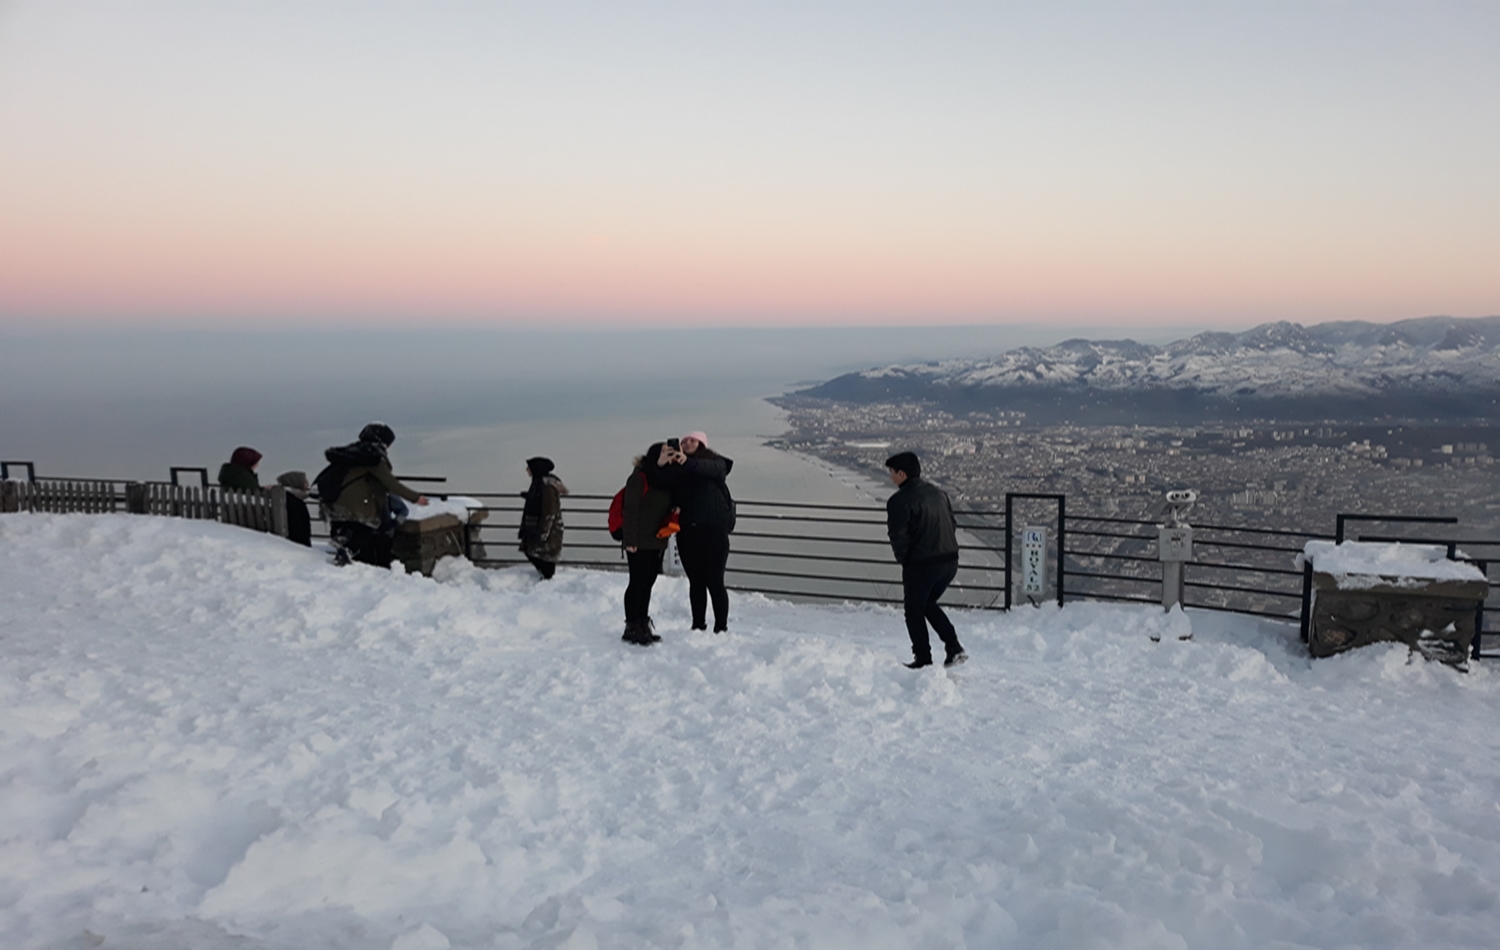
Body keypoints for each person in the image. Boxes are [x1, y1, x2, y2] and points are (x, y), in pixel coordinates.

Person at [885, 451, 967, 669]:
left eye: (892, 473)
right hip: (950, 561)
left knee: (913, 610)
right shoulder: (939, 493)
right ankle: (954, 647)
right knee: (927, 604)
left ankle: (923, 659)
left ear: (901, 474)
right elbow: (952, 523)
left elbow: (898, 536)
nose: (891, 478)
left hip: (923, 565)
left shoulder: (898, 501)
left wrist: (905, 561)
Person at [654, 431, 733, 632]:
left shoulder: (715, 462)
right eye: (684, 441)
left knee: (715, 581)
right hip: (688, 532)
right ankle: (698, 625)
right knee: (696, 582)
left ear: (702, 444)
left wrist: (686, 462)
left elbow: (712, 469)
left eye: (692, 440)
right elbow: (659, 483)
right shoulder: (676, 469)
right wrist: (662, 464)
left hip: (714, 531)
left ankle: (721, 627)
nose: (687, 442)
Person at [320, 422, 429, 567]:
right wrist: (415, 497)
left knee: (350, 526)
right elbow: (390, 484)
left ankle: (340, 539)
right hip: (355, 504)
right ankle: (345, 553)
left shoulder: (351, 453)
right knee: (368, 526)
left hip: (332, 501)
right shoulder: (373, 457)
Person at [619, 442, 676, 646]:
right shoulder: (639, 477)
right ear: (653, 455)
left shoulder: (668, 478)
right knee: (637, 583)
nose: (666, 455)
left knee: (648, 583)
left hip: (657, 540)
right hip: (639, 541)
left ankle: (642, 623)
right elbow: (630, 510)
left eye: (668, 453)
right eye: (662, 452)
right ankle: (631, 626)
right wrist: (630, 540)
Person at [518, 456, 567, 579]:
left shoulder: (546, 486)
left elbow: (549, 510)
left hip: (547, 529)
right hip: (539, 527)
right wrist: (529, 496)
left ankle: (547, 577)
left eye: (529, 467)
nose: (527, 470)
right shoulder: (539, 483)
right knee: (532, 550)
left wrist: (544, 532)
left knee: (544, 556)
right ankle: (545, 576)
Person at [275, 470, 313, 547]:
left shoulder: (283, 497)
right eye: (305, 481)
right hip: (297, 544)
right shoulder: (295, 502)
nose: (308, 484)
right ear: (296, 482)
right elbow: (300, 529)